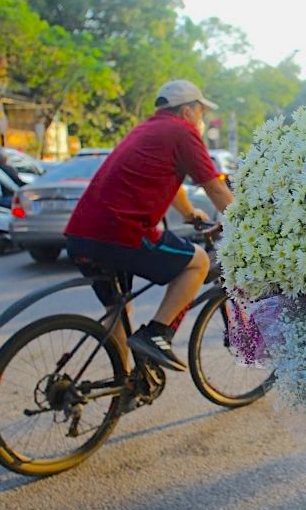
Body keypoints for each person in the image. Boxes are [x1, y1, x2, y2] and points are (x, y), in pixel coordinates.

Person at [64, 80, 233, 372]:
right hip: (121, 233)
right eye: (201, 112)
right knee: (199, 262)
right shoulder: (183, 132)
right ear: (187, 110)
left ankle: (124, 384)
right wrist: (245, 223)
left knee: (117, 313)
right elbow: (215, 188)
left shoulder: (147, 129)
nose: (202, 119)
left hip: (81, 235)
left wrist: (191, 213)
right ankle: (157, 333)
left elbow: (175, 186)